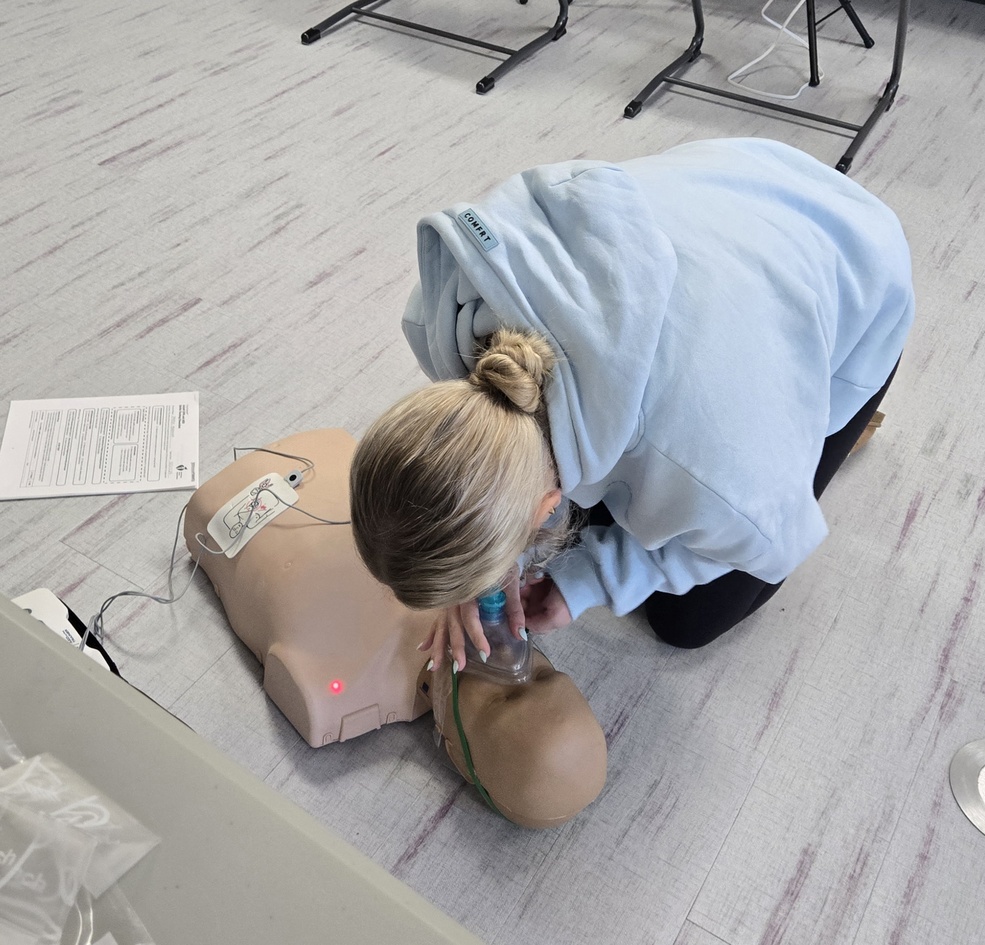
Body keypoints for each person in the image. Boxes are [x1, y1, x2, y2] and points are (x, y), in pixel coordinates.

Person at [349, 137, 915, 673]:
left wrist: (591, 578)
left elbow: (779, 539)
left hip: (854, 260)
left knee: (687, 620)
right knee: (623, 506)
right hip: (725, 187)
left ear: (549, 505)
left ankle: (824, 432)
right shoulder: (438, 312)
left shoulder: (723, 472)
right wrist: (473, 570)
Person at [184, 429, 607, 827]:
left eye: (505, 698)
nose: (511, 659)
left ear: (456, 751)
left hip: (227, 507)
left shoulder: (338, 694)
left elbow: (290, 671)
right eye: (542, 673)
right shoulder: (481, 574)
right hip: (333, 466)